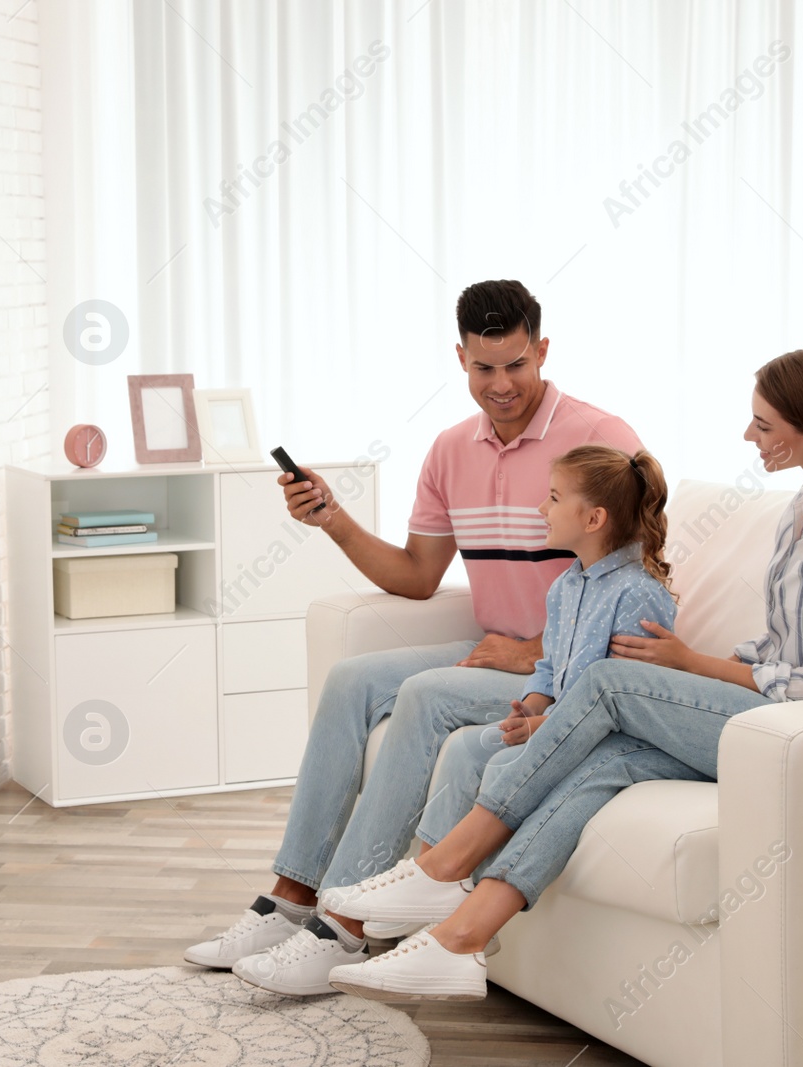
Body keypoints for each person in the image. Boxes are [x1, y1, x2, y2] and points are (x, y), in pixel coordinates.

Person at [325, 344, 803, 1001]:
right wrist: (705, 677)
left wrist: (689, 665)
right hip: (770, 716)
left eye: (762, 424)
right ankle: (460, 939)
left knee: (610, 682)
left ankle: (443, 862)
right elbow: (781, 644)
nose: (748, 436)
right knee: (605, 759)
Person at [182, 280, 644, 997]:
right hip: (497, 653)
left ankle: (340, 929)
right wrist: (331, 518)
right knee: (353, 678)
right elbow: (417, 575)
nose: (501, 386)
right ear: (460, 358)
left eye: (516, 365)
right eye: (483, 369)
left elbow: (640, 585)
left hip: (561, 670)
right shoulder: (450, 450)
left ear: (543, 351)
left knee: (425, 697)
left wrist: (534, 653)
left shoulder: (601, 440)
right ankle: (291, 898)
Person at [316, 443, 685, 937]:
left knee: (485, 752)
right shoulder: (568, 586)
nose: (541, 509)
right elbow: (551, 669)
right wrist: (529, 706)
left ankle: (426, 885)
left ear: (594, 518)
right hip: (558, 725)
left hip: (599, 736)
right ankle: (424, 883)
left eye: (553, 498)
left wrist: (543, 725)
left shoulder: (637, 592)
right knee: (473, 744)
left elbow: (625, 699)